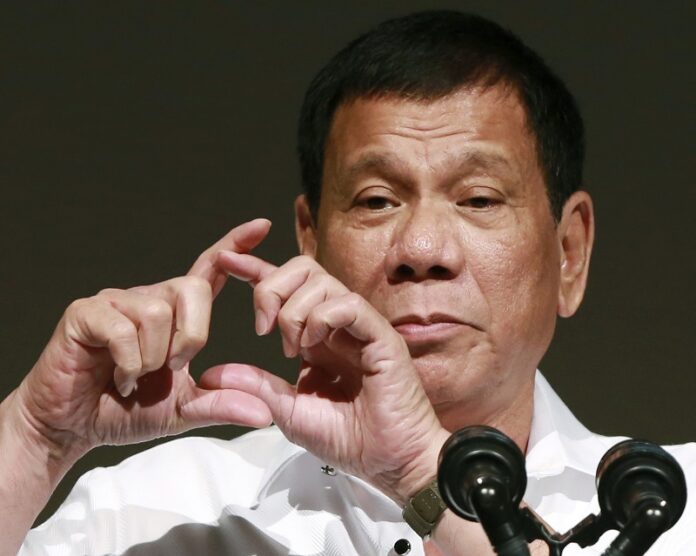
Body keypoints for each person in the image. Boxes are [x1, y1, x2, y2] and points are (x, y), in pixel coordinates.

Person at [2, 10, 694, 556]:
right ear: (310, 244)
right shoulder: (153, 517)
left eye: (479, 198)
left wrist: (423, 473)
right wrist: (35, 437)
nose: (422, 250)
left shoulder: (676, 514)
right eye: (375, 200)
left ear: (569, 253)